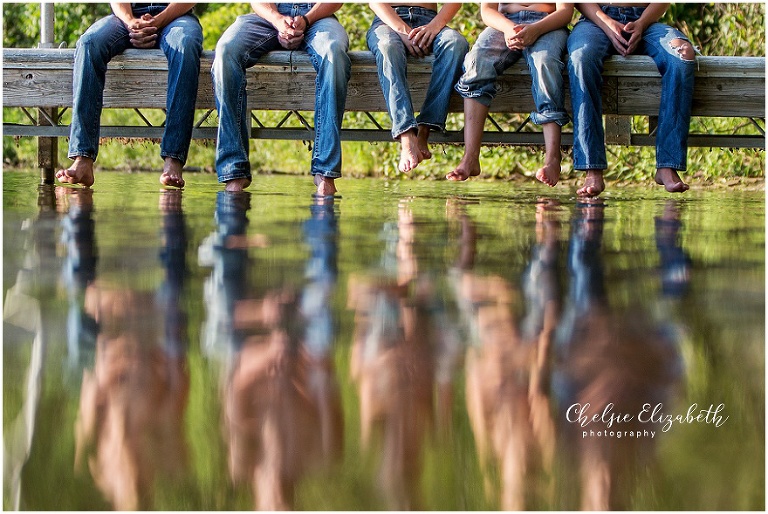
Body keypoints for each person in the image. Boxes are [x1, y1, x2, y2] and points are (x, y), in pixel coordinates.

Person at [55, 3, 203, 189]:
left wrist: (157, 21)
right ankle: (82, 158)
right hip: (124, 18)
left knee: (186, 44)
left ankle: (174, 159)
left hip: (176, 18)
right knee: (89, 43)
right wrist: (130, 21)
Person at [212, 3, 351, 195]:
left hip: (318, 18)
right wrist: (277, 19)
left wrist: (307, 19)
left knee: (333, 53)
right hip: (267, 18)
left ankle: (325, 173)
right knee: (225, 52)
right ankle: (234, 171)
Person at [567, 3, 695, 197]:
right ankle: (591, 168)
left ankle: (668, 165)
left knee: (682, 55)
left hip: (646, 20)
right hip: (595, 21)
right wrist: (607, 22)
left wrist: (642, 23)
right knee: (581, 59)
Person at [447, 3, 573, 186]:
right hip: (505, 23)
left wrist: (536, 29)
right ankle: (470, 157)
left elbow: (565, 12)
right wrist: (509, 28)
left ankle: (552, 159)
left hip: (547, 24)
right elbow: (487, 11)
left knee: (545, 63)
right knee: (477, 62)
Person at [367, 3, 469, 173]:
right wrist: (402, 30)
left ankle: (424, 130)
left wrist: (434, 26)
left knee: (456, 44)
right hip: (387, 21)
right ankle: (406, 135)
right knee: (387, 47)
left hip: (429, 20)